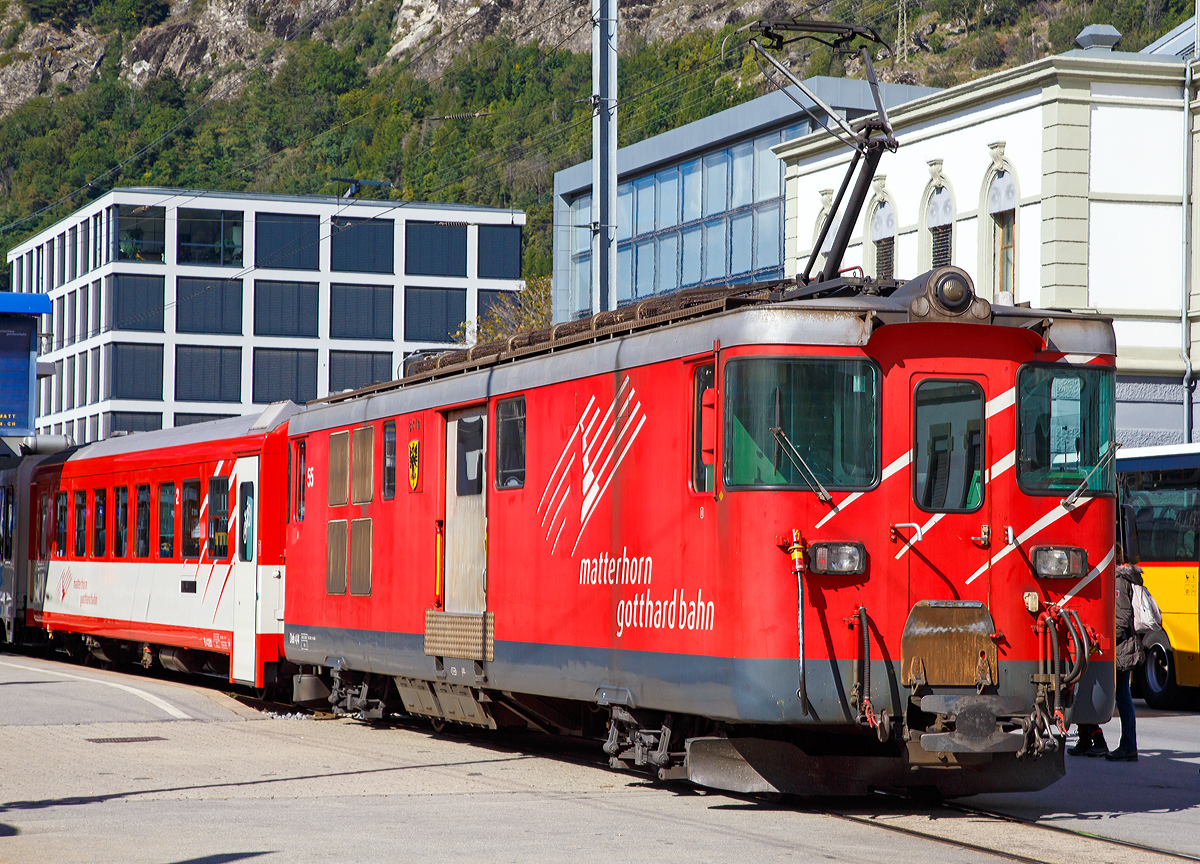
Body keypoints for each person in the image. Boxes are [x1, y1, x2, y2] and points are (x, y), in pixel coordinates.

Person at [1105, 562, 1143, 762]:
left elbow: (1121, 618)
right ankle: (1128, 745)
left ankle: (1128, 745)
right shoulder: (1123, 579)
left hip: (1121, 647)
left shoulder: (1119, 580)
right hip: (1123, 646)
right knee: (1123, 696)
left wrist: (1108, 641)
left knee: (1123, 697)